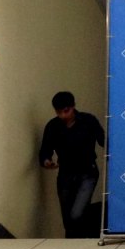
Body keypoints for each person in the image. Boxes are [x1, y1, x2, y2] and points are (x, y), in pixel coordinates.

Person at [39, 91, 105, 239]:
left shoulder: (88, 121)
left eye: (66, 111)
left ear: (73, 106)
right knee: (68, 218)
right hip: (65, 174)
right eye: (58, 112)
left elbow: (104, 141)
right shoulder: (53, 126)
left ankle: (83, 240)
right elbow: (45, 150)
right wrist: (47, 161)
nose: (63, 115)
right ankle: (74, 245)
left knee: (77, 213)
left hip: (87, 172)